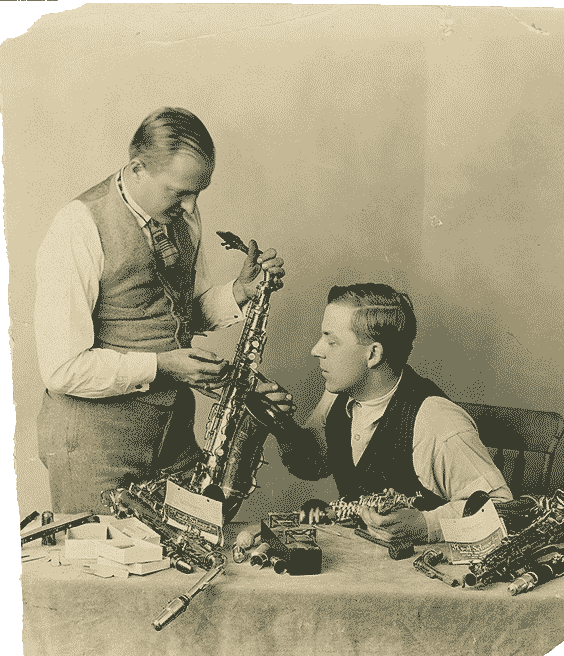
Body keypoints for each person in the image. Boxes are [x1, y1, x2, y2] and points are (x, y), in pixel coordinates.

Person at [35, 107, 286, 513]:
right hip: (95, 453)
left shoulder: (182, 216)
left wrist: (240, 291)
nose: (190, 207)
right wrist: (163, 366)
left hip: (172, 442)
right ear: (137, 169)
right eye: (179, 192)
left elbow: (179, 314)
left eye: (198, 192)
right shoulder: (76, 227)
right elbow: (62, 369)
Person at [260, 283, 512, 544]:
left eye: (331, 341)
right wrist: (282, 427)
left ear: (373, 354)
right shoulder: (337, 394)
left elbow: (504, 509)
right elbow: (312, 465)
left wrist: (427, 525)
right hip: (362, 560)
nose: (316, 350)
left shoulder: (437, 421)